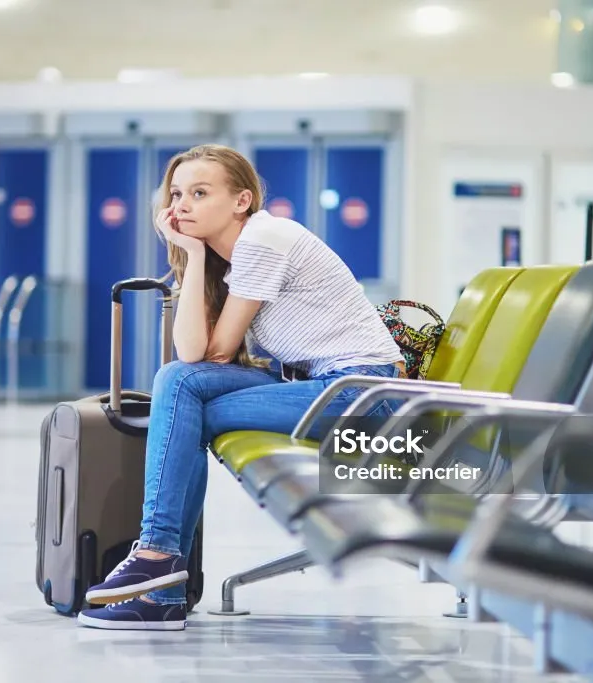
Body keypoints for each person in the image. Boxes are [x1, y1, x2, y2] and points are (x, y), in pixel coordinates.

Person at [76, 144, 407, 631]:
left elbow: (213, 351)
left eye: (200, 192)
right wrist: (190, 255)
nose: (181, 205)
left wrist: (191, 252)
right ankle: (159, 566)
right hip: (318, 385)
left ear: (242, 200)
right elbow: (189, 358)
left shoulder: (264, 238)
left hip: (364, 395)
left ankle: (159, 568)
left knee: (185, 412)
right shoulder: (226, 258)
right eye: (176, 194)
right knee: (176, 384)